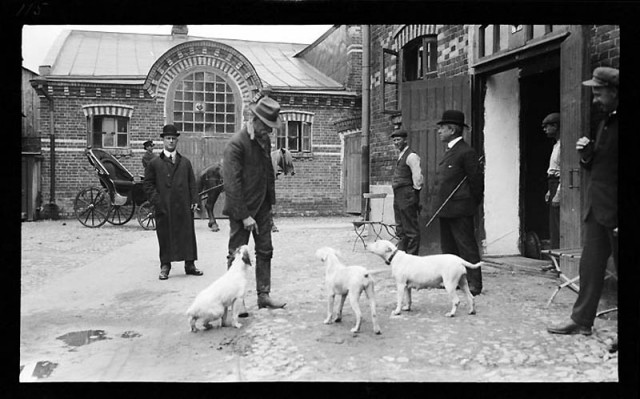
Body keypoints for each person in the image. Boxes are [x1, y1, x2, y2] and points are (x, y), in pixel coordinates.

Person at [547, 67, 618, 342]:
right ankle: (581, 320)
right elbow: (599, 165)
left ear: (614, 92)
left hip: (615, 212)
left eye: (599, 93)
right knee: (590, 267)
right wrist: (587, 154)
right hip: (599, 208)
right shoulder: (606, 122)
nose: (595, 100)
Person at [222, 97, 287, 316]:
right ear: (256, 120)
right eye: (267, 127)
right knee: (237, 255)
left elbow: (268, 172)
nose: (269, 131)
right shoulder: (236, 144)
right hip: (242, 209)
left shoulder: (263, 140)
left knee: (265, 251)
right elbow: (232, 184)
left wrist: (270, 204)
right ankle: (235, 301)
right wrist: (244, 215)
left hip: (262, 208)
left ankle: (263, 296)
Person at [143, 124, 203, 280]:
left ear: (177, 141)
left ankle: (190, 264)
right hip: (164, 207)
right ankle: (165, 266)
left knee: (187, 234)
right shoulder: (154, 164)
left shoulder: (185, 163)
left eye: (174, 139)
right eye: (168, 138)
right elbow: (148, 185)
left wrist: (195, 200)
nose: (171, 141)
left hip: (183, 205)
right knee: (164, 235)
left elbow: (192, 183)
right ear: (163, 140)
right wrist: (158, 201)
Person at [434, 110, 484, 296]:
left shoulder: (466, 152)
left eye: (442, 128)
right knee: (449, 249)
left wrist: (469, 204)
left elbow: (476, 183)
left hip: (460, 209)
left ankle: (474, 283)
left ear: (452, 129)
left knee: (466, 247)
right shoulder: (450, 150)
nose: (439, 131)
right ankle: (452, 280)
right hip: (445, 208)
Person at [390, 129, 423, 255]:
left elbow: (418, 177)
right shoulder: (401, 155)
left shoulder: (411, 156)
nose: (396, 143)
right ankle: (402, 256)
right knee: (400, 228)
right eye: (394, 140)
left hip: (407, 194)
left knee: (410, 229)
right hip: (398, 195)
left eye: (398, 140)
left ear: (405, 140)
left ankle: (412, 257)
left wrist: (414, 194)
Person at [542, 112, 561, 249]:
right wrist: (550, 190)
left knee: (558, 224)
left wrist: (558, 193)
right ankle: (555, 259)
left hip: (559, 185)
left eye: (547, 126)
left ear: (555, 126)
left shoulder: (563, 146)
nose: (545, 130)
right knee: (553, 224)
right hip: (553, 183)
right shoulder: (556, 145)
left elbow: (564, 171)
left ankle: (560, 260)